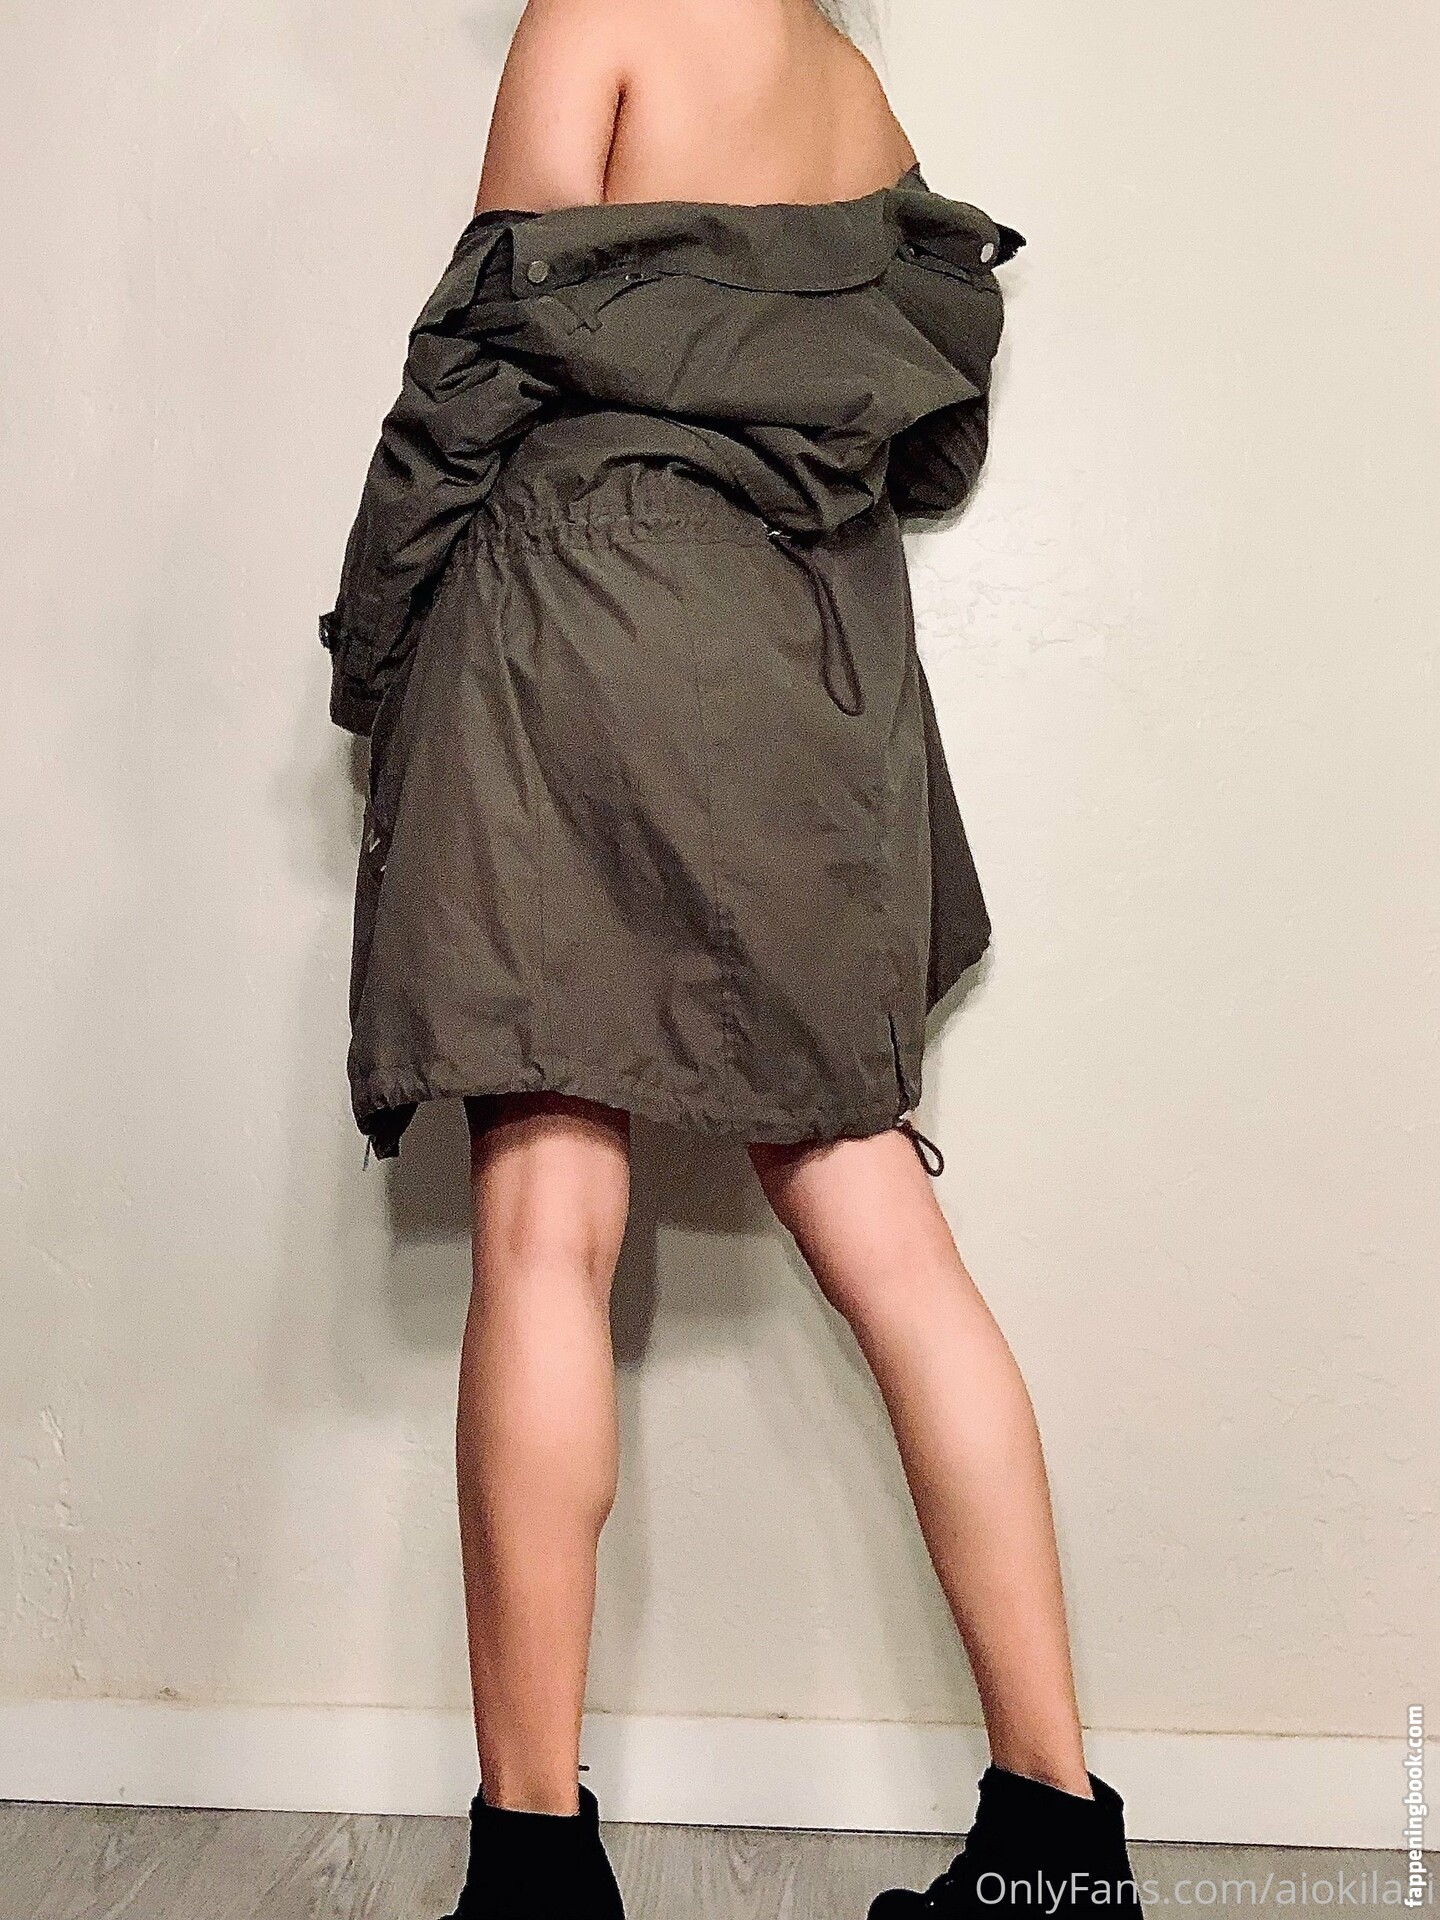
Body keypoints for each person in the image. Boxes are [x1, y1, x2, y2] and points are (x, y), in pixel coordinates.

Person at [318, 1, 1140, 1914]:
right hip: (813, 651)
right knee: (886, 1229)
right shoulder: (849, 77)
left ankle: (536, 1871)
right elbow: (926, 433)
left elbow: (477, 367)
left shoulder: (593, 12)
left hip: (582, 611)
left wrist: (373, 645)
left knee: (548, 1221)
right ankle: (1057, 1838)